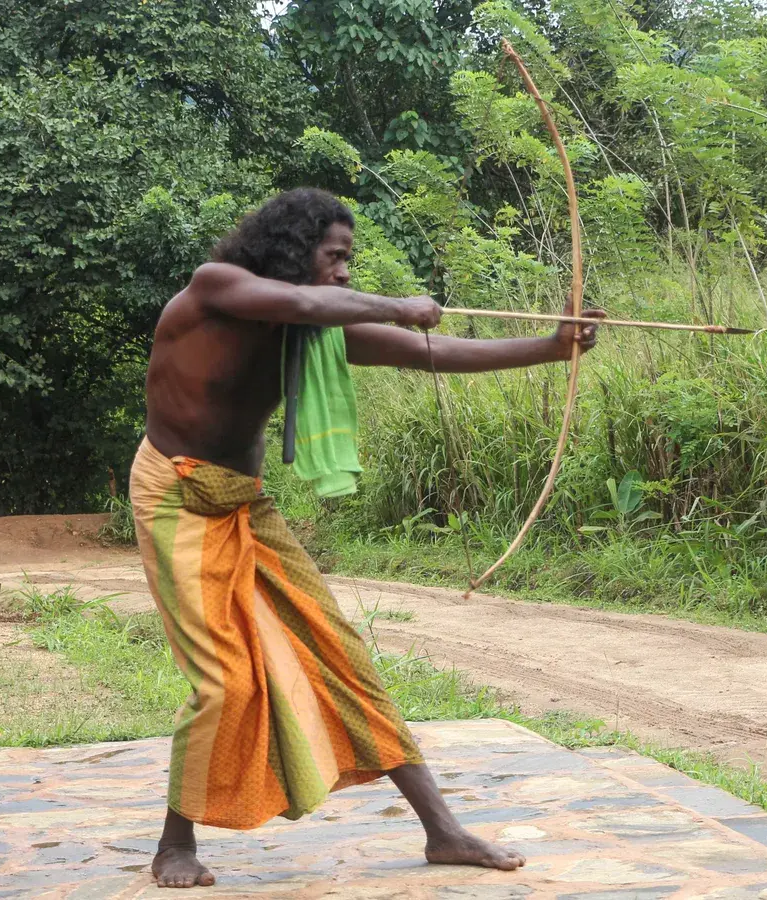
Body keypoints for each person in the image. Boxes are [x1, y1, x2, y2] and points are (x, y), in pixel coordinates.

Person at [130, 187, 603, 888]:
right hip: (176, 496)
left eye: (350, 260)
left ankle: (443, 831)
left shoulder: (311, 328)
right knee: (226, 681)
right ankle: (175, 844)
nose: (346, 272)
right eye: (336, 257)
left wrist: (552, 347)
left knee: (342, 656)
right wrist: (394, 301)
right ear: (293, 251)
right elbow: (309, 304)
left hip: (245, 506)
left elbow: (428, 350)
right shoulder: (218, 287)